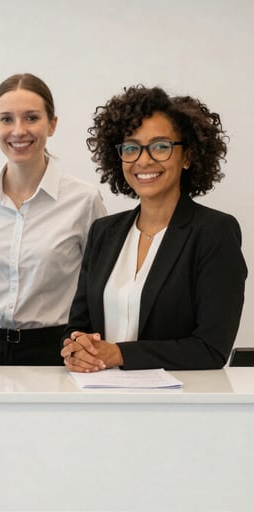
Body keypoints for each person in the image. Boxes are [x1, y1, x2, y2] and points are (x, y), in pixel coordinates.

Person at [62, 85, 247, 371]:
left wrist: (120, 354)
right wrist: (78, 348)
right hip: (99, 397)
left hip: (175, 406)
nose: (143, 160)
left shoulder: (214, 232)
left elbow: (211, 348)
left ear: (187, 156)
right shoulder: (104, 231)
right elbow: (78, 326)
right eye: (132, 147)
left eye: (160, 146)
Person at [0, 73, 106, 365]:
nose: (19, 130)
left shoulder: (84, 200)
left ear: (52, 124)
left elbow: (98, 286)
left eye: (31, 118)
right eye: (7, 119)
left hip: (56, 350)